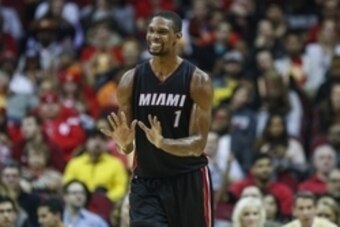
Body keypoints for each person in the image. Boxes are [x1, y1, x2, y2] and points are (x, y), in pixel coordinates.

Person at [101, 11, 214, 227]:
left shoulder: (197, 80)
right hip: (147, 180)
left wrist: (163, 143)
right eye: (151, 31)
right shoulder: (130, 79)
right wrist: (124, 144)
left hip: (188, 178)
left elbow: (198, 143)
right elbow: (127, 145)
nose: (154, 36)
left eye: (162, 32)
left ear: (177, 37)